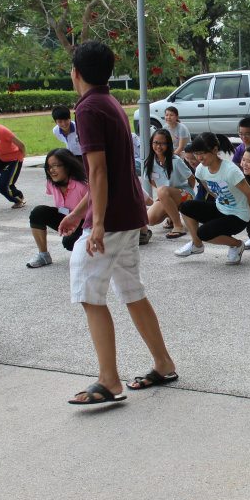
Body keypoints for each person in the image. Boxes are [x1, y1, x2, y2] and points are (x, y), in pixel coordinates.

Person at [58, 41, 176, 404]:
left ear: (75, 73)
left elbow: (97, 170)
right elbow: (108, 170)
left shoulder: (88, 108)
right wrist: (78, 212)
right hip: (127, 215)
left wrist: (96, 223)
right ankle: (163, 363)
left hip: (110, 221)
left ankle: (109, 381)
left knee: (88, 292)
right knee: (131, 291)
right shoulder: (109, 103)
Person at [175, 132, 250, 265]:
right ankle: (197, 245)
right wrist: (222, 201)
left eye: (203, 153)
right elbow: (210, 190)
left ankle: (237, 245)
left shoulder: (231, 171)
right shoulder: (201, 170)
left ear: (214, 150)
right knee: (185, 206)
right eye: (196, 153)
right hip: (220, 208)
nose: (199, 157)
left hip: (238, 216)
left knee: (204, 232)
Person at [26, 149, 89, 268]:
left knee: (69, 242)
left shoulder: (82, 185)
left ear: (68, 166)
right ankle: (43, 255)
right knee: (38, 212)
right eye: (48, 167)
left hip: (87, 223)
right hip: (67, 218)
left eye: (55, 166)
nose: (51, 170)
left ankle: (96, 249)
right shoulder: (51, 183)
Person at [143, 128, 195, 239]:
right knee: (150, 220)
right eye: (156, 142)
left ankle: (178, 225)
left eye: (163, 143)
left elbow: (191, 179)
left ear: (168, 145)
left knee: (162, 190)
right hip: (165, 195)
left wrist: (188, 195)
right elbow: (150, 180)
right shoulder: (149, 163)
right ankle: (171, 215)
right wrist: (164, 194)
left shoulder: (176, 160)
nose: (158, 146)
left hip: (185, 194)